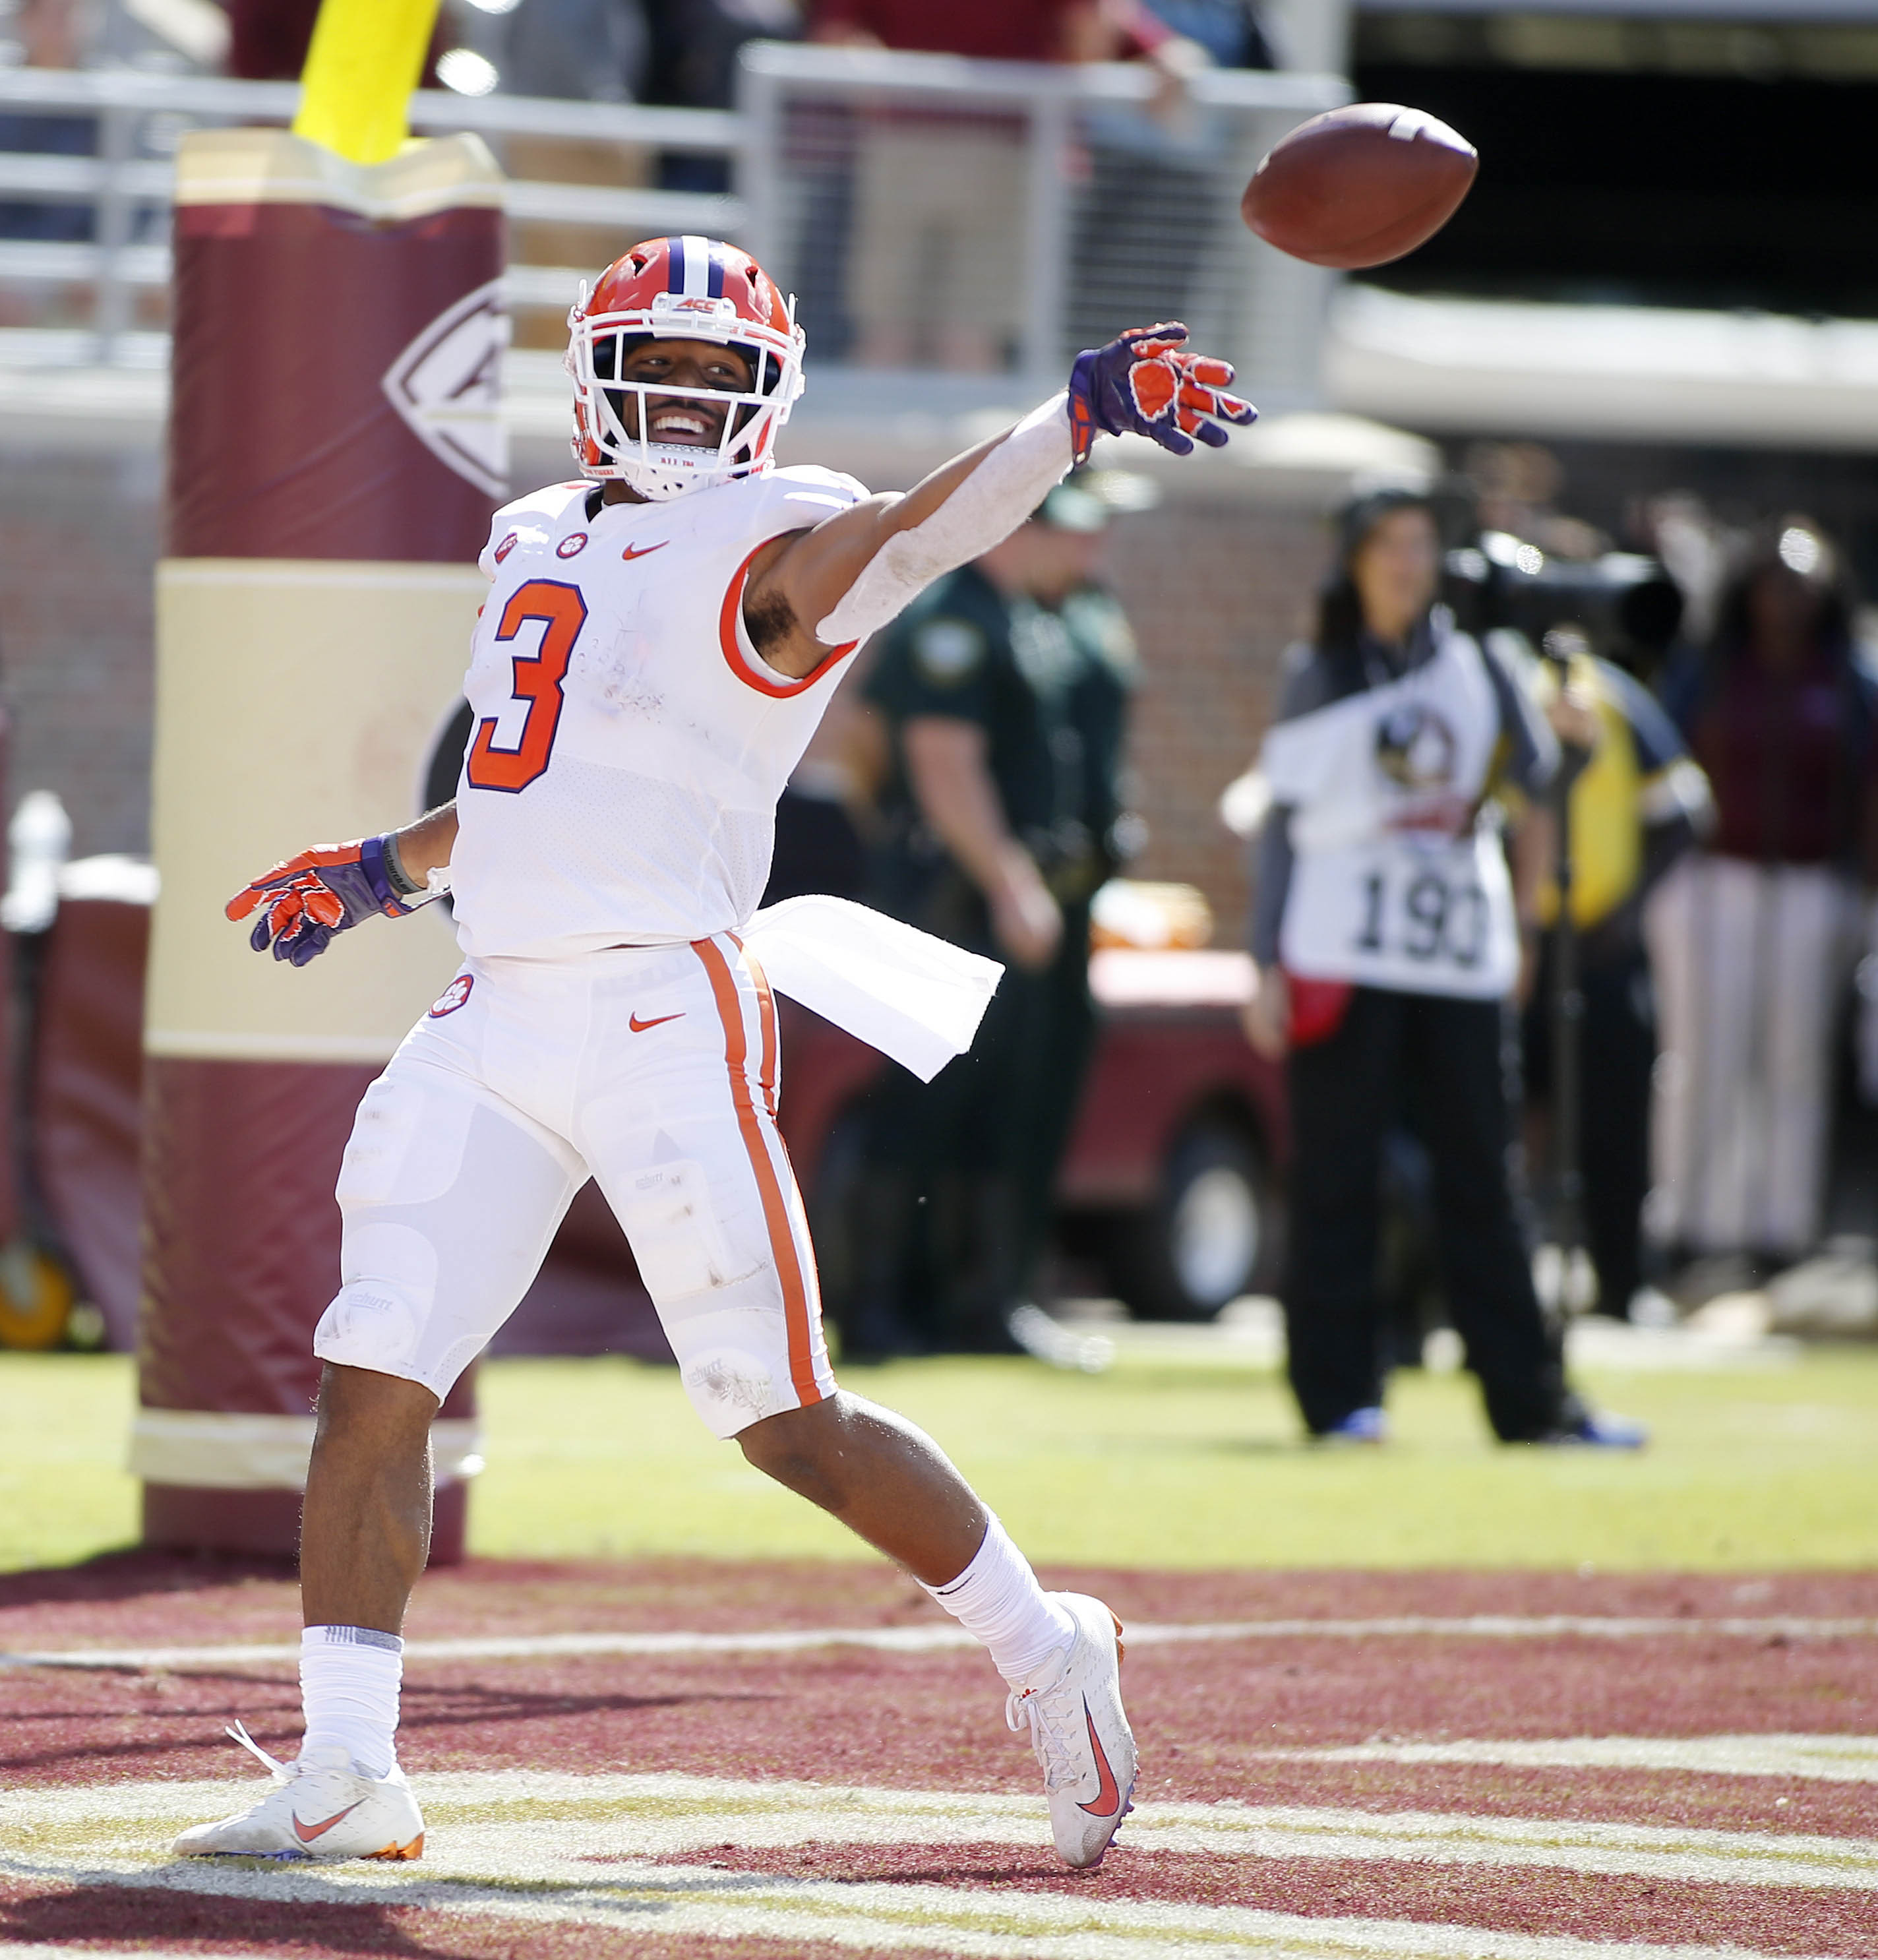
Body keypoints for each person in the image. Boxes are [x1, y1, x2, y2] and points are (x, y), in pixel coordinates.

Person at [173, 255, 1254, 1868]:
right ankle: (347, 1765)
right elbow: (542, 779)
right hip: (495, 1002)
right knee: (372, 1366)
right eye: (658, 363)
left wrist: (1067, 421)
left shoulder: (772, 536)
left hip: (660, 1010)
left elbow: (914, 532)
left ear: (769, 393)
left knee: (774, 1410)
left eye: (715, 370)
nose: (684, 397)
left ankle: (1048, 1647)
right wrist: (386, 868)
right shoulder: (529, 532)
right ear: (593, 371)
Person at [1240, 488, 1643, 1448]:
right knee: (1337, 1177)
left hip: (1456, 954)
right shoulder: (1319, 670)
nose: (1405, 563)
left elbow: (1539, 787)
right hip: (1340, 949)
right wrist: (1265, 959)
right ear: (1354, 560)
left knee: (1485, 1180)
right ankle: (1339, 1398)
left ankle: (1529, 1402)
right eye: (1387, 544)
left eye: (1421, 544)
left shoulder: (1483, 663)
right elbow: (1282, 820)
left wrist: (1531, 921)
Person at [847, 475, 1139, 1356]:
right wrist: (1007, 882)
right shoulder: (957, 615)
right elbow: (934, 759)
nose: (1081, 548)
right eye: (1060, 530)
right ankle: (878, 1309)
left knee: (1008, 1102)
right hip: (960, 899)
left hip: (1016, 896)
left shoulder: (1036, 616)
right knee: (927, 1098)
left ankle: (980, 1302)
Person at [1650, 520, 1878, 1267]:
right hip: (1716, 882)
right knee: (1703, 1057)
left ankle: (1782, 1229)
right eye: (1774, 582)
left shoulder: (1848, 677)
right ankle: (1687, 1223)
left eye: (1803, 583)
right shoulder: (1712, 670)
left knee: (1794, 1062)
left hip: (1813, 886)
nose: (1787, 598)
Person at [1520, 634, 1711, 1320]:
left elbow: (1685, 811)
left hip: (1603, 946)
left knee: (1614, 1122)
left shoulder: (1610, 694)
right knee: (1504, 1118)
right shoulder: (1498, 687)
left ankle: (1621, 1284)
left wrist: (1624, 913)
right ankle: (1493, 1286)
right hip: (1518, 947)